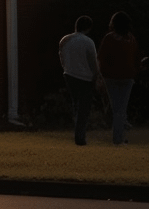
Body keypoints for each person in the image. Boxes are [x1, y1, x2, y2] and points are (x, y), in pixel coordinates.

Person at [97, 11, 139, 146]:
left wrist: (101, 75)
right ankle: (120, 136)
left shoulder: (109, 38)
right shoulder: (131, 39)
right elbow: (135, 57)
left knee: (116, 108)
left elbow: (102, 57)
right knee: (121, 108)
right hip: (127, 77)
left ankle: (118, 138)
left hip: (111, 77)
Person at [59, 16, 101, 146]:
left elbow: (61, 57)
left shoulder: (65, 40)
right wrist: (97, 76)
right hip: (84, 77)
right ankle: (80, 138)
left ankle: (78, 133)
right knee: (84, 108)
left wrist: (66, 68)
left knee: (76, 105)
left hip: (69, 74)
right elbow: (93, 61)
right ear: (88, 28)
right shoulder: (88, 42)